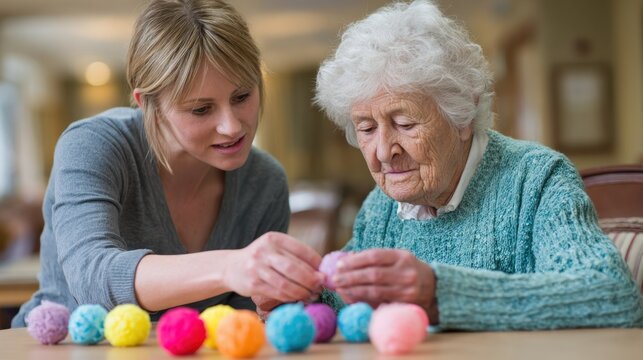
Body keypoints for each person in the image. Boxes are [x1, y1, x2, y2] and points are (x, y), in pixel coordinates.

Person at [308, 0, 642, 330]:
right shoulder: (381, 208)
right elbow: (338, 306)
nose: (383, 151)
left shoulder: (536, 181)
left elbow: (611, 295)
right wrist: (297, 292)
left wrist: (442, 293)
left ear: (463, 113)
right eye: (366, 129)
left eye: (406, 124)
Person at [12, 0, 324, 327]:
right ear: (148, 105)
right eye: (201, 109)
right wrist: (232, 267)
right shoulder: (93, 145)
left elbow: (236, 323)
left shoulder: (265, 182)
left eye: (242, 96)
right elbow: (93, 279)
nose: (232, 126)